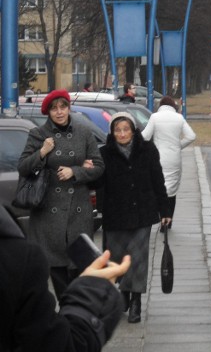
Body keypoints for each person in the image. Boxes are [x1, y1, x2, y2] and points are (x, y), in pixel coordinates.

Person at [0, 204, 131, 351]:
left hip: (74, 221)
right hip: (49, 228)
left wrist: (78, 178)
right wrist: (91, 293)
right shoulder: (18, 258)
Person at [18, 89, 105, 301]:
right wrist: (42, 153)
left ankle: (74, 313)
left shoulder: (83, 133)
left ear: (69, 108)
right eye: (54, 108)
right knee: (55, 267)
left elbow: (99, 166)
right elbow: (23, 167)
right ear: (48, 112)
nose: (59, 112)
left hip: (78, 210)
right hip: (49, 212)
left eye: (63, 107)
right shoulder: (38, 135)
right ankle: (68, 313)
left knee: (79, 264)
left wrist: (75, 171)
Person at [93, 112, 172, 324]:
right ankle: (124, 295)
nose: (122, 134)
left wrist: (165, 210)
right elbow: (97, 185)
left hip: (142, 213)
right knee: (117, 258)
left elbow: (158, 179)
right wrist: (90, 171)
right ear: (112, 133)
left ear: (133, 130)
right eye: (117, 130)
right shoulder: (104, 154)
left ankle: (136, 301)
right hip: (115, 214)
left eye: (126, 129)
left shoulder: (147, 150)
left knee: (137, 259)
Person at [141, 96, 196, 224]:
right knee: (172, 190)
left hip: (158, 157)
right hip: (174, 158)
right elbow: (191, 136)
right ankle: (169, 220)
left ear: (161, 106)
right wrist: (178, 146)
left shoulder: (154, 117)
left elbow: (145, 136)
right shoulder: (179, 118)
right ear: (173, 106)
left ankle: (161, 216)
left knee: (159, 187)